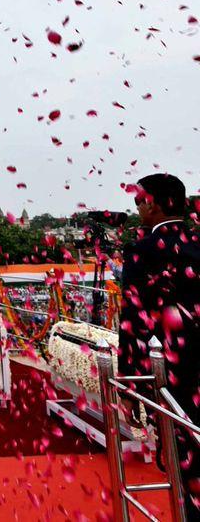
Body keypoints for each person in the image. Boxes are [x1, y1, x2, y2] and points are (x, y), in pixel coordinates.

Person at [119, 173, 200, 518]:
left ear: (151, 203)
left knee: (188, 470)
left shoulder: (144, 250)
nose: (137, 208)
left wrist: (128, 383)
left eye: (138, 201)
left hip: (179, 378)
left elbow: (134, 322)